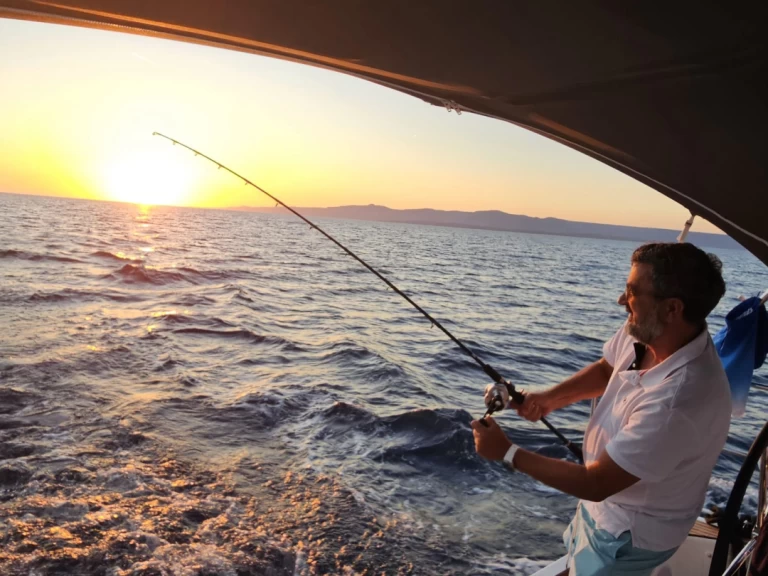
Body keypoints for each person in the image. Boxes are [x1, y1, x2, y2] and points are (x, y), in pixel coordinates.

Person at [472, 242, 731, 576]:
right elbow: (610, 369)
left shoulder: (679, 401)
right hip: (605, 510)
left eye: (633, 292)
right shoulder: (647, 330)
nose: (622, 301)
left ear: (672, 309)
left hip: (630, 533)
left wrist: (507, 452)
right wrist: (551, 399)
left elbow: (596, 483)